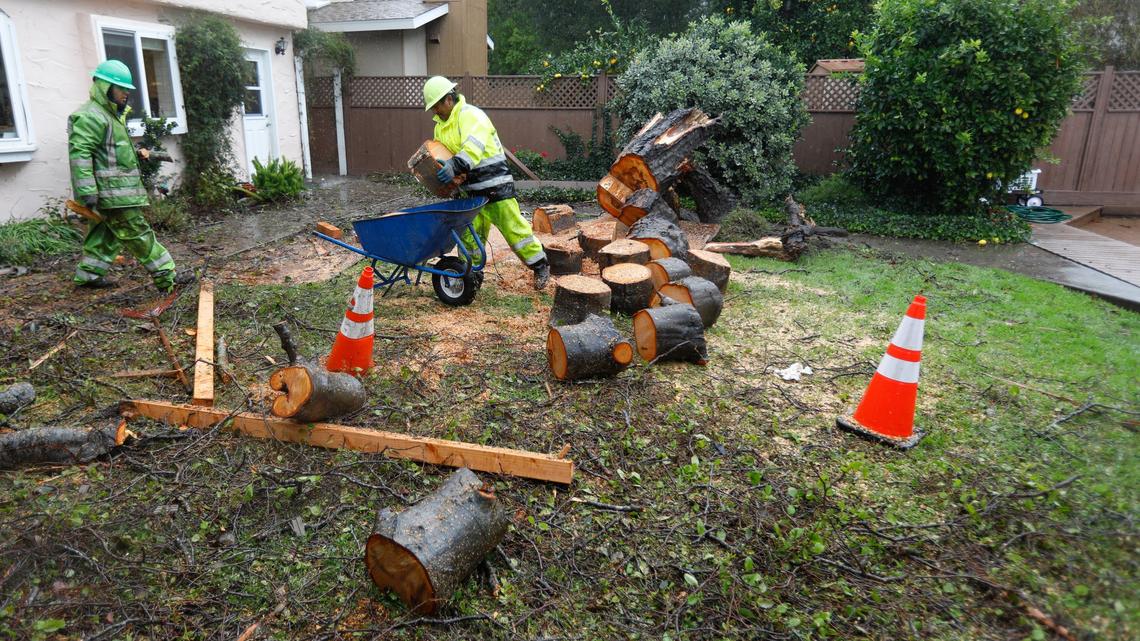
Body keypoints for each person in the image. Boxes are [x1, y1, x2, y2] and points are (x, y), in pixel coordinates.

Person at [68, 59, 188, 292]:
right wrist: (87, 191)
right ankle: (167, 275)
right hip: (112, 195)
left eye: (127, 89)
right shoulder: (91, 116)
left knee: (104, 234)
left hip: (114, 193)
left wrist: (134, 153)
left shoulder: (108, 115)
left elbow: (107, 151)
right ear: (104, 86)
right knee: (138, 234)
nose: (126, 93)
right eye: (121, 88)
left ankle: (88, 276)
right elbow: (80, 155)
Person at [423, 76, 550, 290]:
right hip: (469, 191)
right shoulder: (440, 129)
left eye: (436, 106)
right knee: (471, 236)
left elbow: (473, 148)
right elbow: (445, 156)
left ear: (448, 100)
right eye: (432, 108)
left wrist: (454, 165)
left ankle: (540, 265)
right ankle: (472, 274)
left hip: (495, 184)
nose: (435, 111)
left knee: (514, 230)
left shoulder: (471, 115)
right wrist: (442, 173)